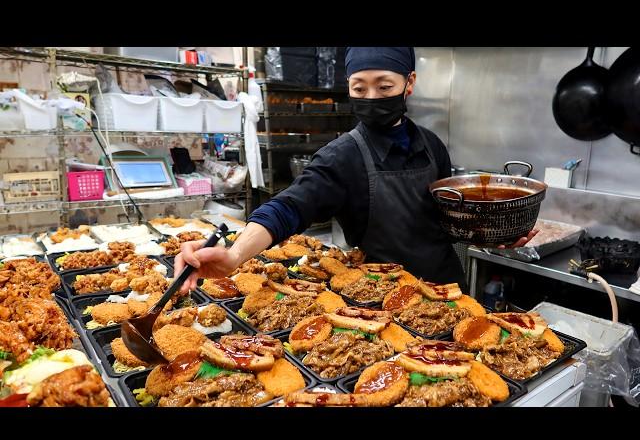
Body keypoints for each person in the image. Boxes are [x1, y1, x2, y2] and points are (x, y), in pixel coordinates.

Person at [176, 47, 536, 294]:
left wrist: (490, 235)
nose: (372, 97)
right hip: (384, 301)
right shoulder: (342, 156)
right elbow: (288, 208)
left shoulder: (432, 145)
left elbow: (449, 221)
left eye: (385, 86)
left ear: (409, 83)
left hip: (448, 288)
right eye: (359, 88)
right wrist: (236, 254)